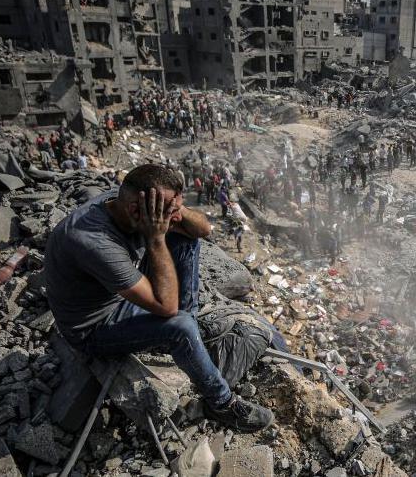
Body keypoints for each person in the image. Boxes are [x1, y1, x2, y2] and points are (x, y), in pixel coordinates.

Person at [43, 164, 274, 432]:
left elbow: (204, 230)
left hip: (120, 297)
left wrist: (178, 210)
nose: (171, 219)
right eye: (167, 212)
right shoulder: (94, 241)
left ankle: (186, 333)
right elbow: (167, 307)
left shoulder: (128, 204)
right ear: (135, 210)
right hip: (92, 329)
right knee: (180, 327)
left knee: (187, 238)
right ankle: (221, 404)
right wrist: (155, 238)